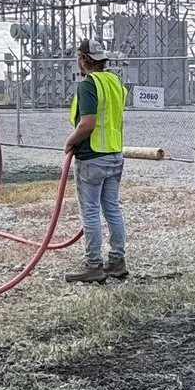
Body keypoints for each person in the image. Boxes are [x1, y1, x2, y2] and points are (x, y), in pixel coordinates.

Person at [65, 38, 130, 283]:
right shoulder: (115, 82)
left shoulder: (89, 85)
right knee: (112, 208)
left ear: (83, 59)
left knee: (90, 212)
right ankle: (117, 261)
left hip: (92, 156)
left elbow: (88, 124)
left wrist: (70, 141)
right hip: (114, 154)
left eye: (78, 60)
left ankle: (93, 265)